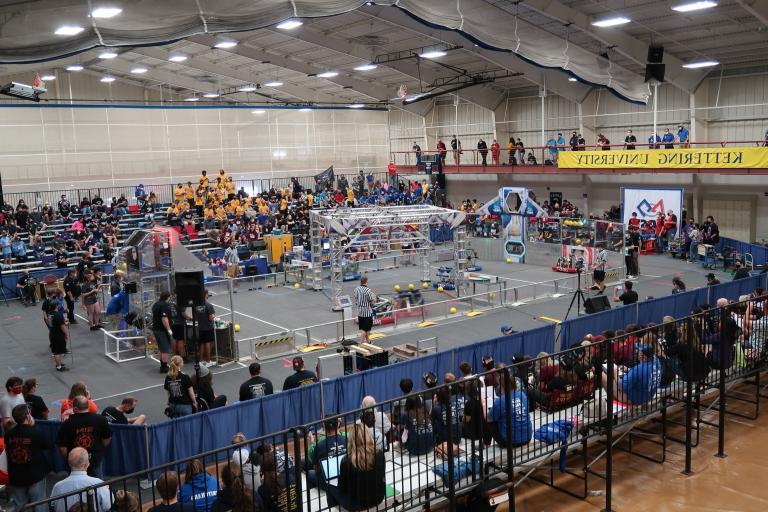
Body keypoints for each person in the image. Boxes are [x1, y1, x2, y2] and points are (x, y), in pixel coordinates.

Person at [324, 424, 386, 511]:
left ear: (351, 439)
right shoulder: (380, 454)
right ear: (368, 435)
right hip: (378, 498)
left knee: (329, 486)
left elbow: (342, 489)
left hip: (357, 504)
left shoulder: (346, 461)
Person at [4, 404, 49, 512]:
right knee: (39, 504)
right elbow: (46, 446)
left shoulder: (9, 434)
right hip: (35, 475)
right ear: (28, 416)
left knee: (18, 505)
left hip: (16, 476)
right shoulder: (36, 433)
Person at [57, 396, 112, 478]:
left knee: (76, 488)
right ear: (88, 406)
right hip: (95, 459)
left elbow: (62, 449)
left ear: (75, 408)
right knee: (98, 485)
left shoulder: (67, 424)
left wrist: (71, 457)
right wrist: (99, 448)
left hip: (75, 462)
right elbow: (107, 438)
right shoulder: (101, 419)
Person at [50, 447, 112, 512]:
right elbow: (108, 505)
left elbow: (53, 507)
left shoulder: (57, 487)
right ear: (86, 465)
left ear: (69, 464)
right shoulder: (98, 483)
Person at [489, 374, 532, 448]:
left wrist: (483, 406)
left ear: (502, 386)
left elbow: (489, 419)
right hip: (527, 438)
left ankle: (486, 444)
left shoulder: (500, 400)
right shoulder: (523, 395)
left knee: (491, 420)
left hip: (509, 442)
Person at [306, 417, 347, 490]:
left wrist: (312, 441)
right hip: (346, 477)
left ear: (324, 427)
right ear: (338, 425)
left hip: (329, 483)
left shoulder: (320, 445)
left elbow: (316, 468)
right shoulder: (347, 439)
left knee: (310, 472)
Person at [152, 291, 174, 373]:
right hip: (162, 330)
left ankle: (163, 365)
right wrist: (169, 330)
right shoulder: (164, 305)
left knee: (162, 348)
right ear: (167, 297)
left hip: (156, 329)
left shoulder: (156, 304)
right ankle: (164, 367)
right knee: (165, 349)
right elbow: (164, 319)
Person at [46, 299, 70, 372]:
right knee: (58, 352)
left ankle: (59, 363)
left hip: (52, 333)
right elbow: (62, 326)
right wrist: (66, 334)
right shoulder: (58, 315)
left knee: (56, 350)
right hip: (58, 335)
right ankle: (59, 366)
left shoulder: (50, 313)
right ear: (57, 306)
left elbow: (50, 322)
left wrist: (62, 322)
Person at [195, 291, 216, 367]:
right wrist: (214, 316)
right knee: (207, 343)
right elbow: (210, 317)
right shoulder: (209, 305)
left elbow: (196, 316)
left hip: (201, 327)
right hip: (208, 327)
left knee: (202, 344)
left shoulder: (197, 305)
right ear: (206, 295)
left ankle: (200, 360)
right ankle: (208, 361)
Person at [354, 276, 377, 344]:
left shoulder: (356, 289)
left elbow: (356, 299)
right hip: (367, 312)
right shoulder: (368, 290)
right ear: (366, 281)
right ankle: (361, 344)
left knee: (364, 328)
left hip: (360, 312)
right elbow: (371, 303)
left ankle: (368, 341)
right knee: (366, 329)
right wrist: (375, 300)